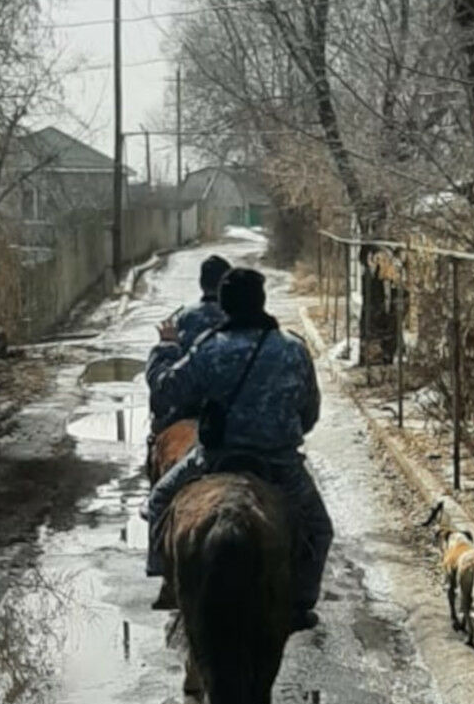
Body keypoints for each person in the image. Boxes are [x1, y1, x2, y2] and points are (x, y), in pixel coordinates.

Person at [141, 268, 333, 632]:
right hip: (280, 464)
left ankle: (167, 578)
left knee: (160, 500)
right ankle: (301, 604)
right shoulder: (293, 349)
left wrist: (166, 347)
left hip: (216, 459)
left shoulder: (210, 348)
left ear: (225, 306)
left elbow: (166, 392)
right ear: (261, 302)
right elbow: (310, 414)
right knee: (320, 529)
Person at [146, 255, 231, 446]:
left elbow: (164, 390)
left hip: (192, 412)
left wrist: (167, 346)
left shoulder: (186, 317)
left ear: (202, 284)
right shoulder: (241, 321)